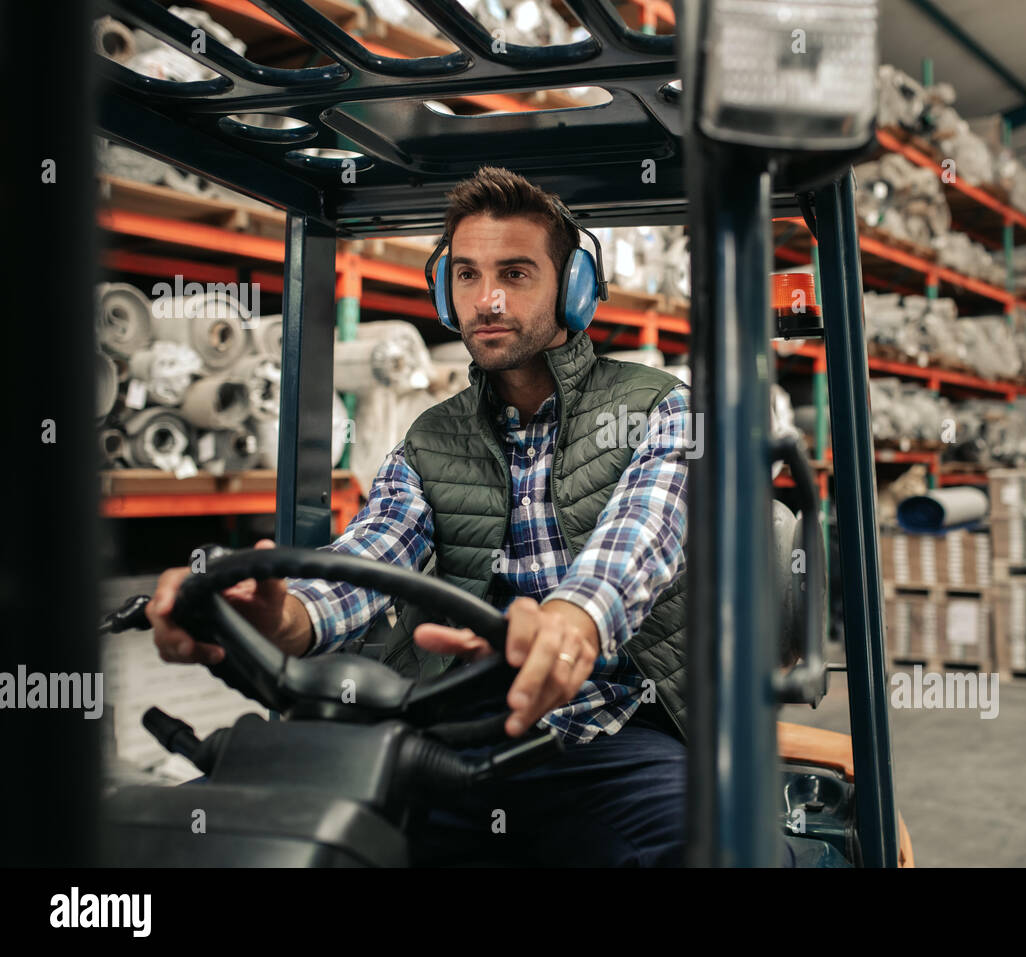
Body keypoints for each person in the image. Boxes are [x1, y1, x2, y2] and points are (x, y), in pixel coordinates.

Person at [145, 165, 693, 866]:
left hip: (616, 731)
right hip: (460, 734)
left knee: (705, 843)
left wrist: (569, 622)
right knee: (236, 831)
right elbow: (375, 550)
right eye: (466, 274)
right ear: (444, 289)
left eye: (517, 273)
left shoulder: (657, 407)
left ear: (574, 289)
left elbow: (636, 543)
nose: (487, 299)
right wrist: (285, 620)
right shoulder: (431, 437)